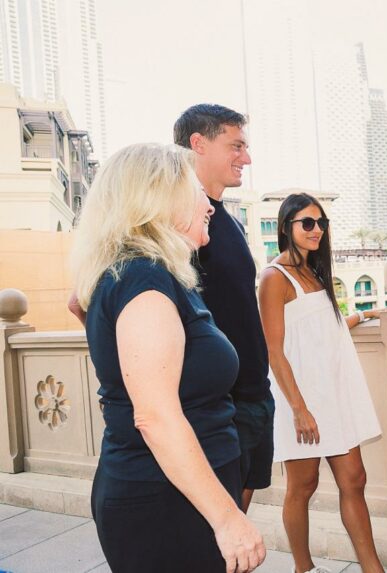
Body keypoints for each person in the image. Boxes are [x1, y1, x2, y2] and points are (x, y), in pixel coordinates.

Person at [69, 143, 266, 572]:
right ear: (158, 199)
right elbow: (155, 417)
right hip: (164, 503)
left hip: (180, 492)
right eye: (195, 191)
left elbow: (80, 307)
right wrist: (228, 519)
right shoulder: (143, 280)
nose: (208, 205)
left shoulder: (142, 274)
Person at [258, 192, 384, 573]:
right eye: (308, 223)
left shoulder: (315, 271)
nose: (317, 230)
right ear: (286, 227)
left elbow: (322, 328)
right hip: (301, 397)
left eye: (321, 223)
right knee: (303, 485)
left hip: (334, 394)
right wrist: (299, 409)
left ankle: (373, 569)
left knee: (355, 479)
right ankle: (304, 568)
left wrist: (363, 317)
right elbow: (274, 351)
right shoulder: (273, 278)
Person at [174, 104, 275, 513]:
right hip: (216, 405)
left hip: (252, 394)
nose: (246, 158)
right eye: (236, 146)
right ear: (198, 143)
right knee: (215, 528)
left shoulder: (229, 220)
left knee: (236, 522)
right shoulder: (173, 220)